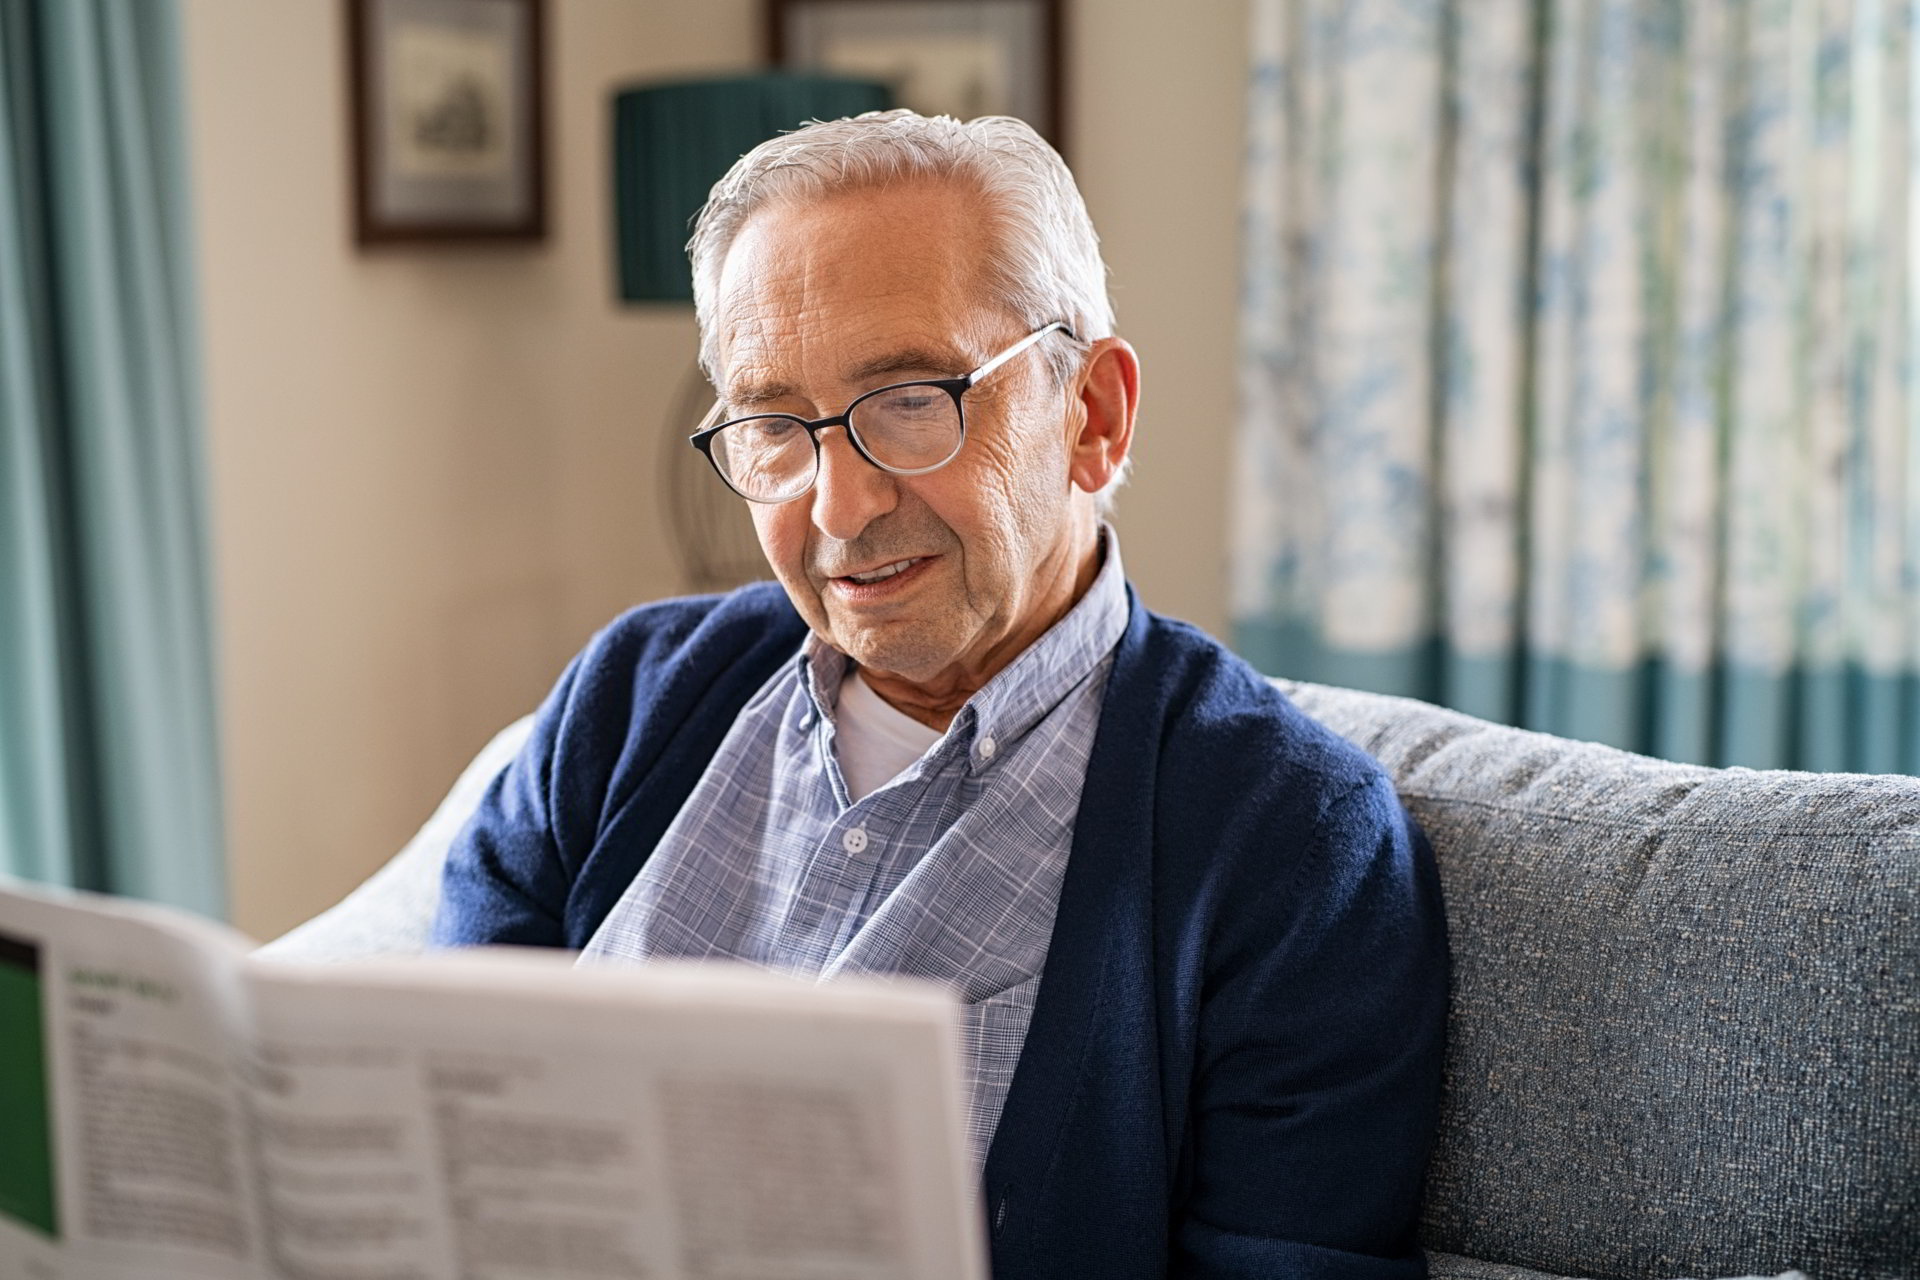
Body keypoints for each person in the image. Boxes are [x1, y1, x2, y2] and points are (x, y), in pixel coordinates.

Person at [431, 110, 1447, 1279]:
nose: (839, 506)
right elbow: (439, 1121)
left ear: (1093, 416)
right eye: (775, 423)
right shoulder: (630, 702)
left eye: (912, 399)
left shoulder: (1296, 850)